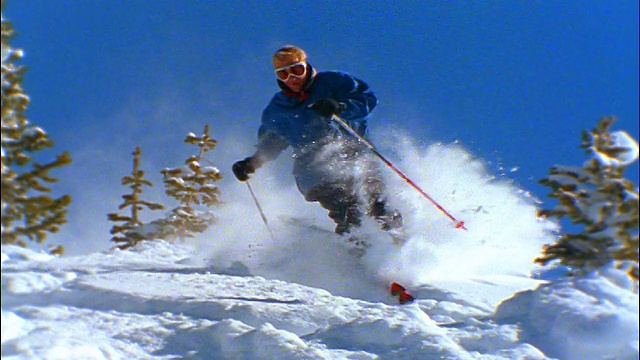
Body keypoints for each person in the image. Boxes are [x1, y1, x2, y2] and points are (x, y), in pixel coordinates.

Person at [232, 45, 403, 243]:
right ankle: (358, 252)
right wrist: (252, 162)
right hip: (314, 169)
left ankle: (399, 245)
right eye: (283, 74)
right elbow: (272, 140)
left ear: (306, 66)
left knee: (378, 203)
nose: (292, 78)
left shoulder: (332, 82)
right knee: (349, 209)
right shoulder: (279, 108)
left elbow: (366, 99)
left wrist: (340, 107)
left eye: (296, 70)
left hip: (355, 153)